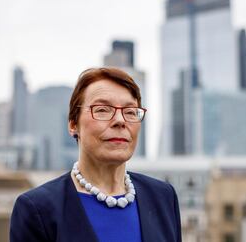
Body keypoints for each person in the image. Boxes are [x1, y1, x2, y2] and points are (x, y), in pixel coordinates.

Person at [10, 67, 182, 242]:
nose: (120, 121)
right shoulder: (37, 209)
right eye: (102, 110)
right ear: (73, 125)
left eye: (130, 112)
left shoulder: (163, 198)